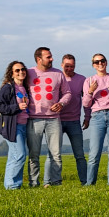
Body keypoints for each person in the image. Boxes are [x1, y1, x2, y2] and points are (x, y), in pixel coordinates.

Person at [25, 46, 70, 188]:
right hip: (34, 119)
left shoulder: (58, 74)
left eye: (51, 56)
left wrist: (61, 103)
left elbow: (67, 93)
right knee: (34, 155)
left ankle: (56, 183)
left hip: (54, 119)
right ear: (39, 59)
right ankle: (34, 184)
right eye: (48, 57)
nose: (52, 59)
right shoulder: (29, 73)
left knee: (56, 154)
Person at [82, 53, 109, 186]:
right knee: (94, 152)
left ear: (106, 62)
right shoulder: (89, 81)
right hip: (97, 116)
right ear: (93, 65)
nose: (100, 63)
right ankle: (90, 183)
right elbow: (86, 103)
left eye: (102, 61)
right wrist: (90, 91)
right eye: (97, 62)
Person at [0, 61, 30, 190]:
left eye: (23, 69)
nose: (21, 72)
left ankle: (12, 185)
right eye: (17, 70)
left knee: (13, 157)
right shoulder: (8, 88)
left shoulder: (25, 88)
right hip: (13, 127)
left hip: (24, 125)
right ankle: (12, 185)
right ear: (12, 74)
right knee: (20, 155)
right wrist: (17, 107)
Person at [57, 54, 88, 184]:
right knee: (54, 154)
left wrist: (87, 116)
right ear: (61, 65)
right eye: (67, 66)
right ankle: (53, 181)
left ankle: (85, 182)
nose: (69, 68)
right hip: (56, 120)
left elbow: (86, 100)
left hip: (74, 121)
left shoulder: (82, 79)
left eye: (72, 66)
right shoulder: (56, 77)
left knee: (79, 154)